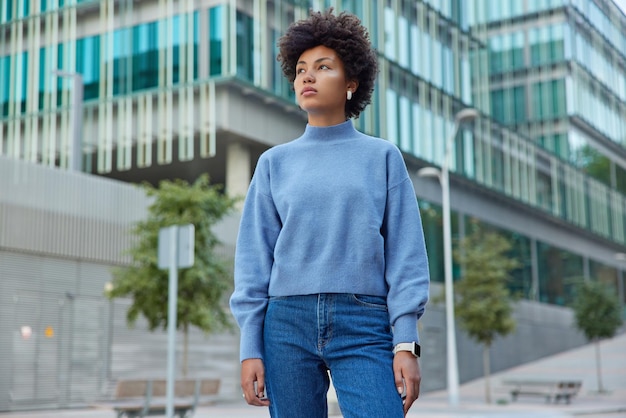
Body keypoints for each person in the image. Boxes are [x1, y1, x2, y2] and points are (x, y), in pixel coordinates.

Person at [229, 8, 430, 418]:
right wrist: (251, 346)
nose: (307, 76)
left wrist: (405, 343)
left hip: (365, 321)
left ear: (351, 84)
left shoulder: (382, 157)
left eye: (323, 67)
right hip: (284, 324)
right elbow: (253, 260)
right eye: (301, 68)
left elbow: (407, 255)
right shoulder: (273, 163)